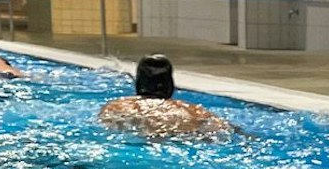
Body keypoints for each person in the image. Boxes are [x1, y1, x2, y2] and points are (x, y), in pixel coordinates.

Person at [97, 55, 234, 139]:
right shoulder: (195, 111)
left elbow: (106, 129)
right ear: (170, 84)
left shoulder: (117, 106)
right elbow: (226, 130)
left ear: (139, 82)